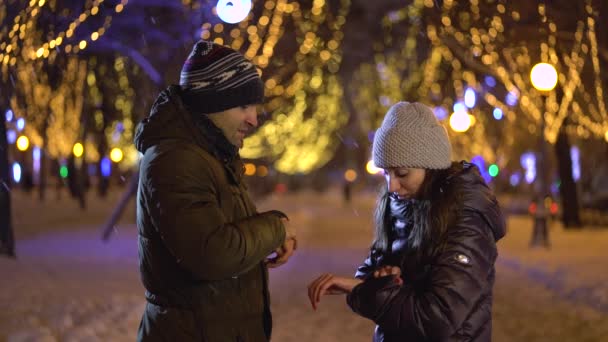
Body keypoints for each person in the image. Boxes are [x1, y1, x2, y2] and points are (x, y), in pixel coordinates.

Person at [135, 40, 297, 342]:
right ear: (213, 103)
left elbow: (224, 230)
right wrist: (274, 230)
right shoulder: (176, 159)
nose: (254, 119)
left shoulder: (210, 154)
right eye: (244, 106)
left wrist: (276, 231)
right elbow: (213, 252)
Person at [308, 102, 506, 341]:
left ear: (431, 168)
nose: (392, 186)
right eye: (386, 173)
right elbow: (375, 270)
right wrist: (378, 280)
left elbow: (436, 319)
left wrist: (368, 290)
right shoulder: (400, 204)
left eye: (401, 174)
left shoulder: (466, 218)